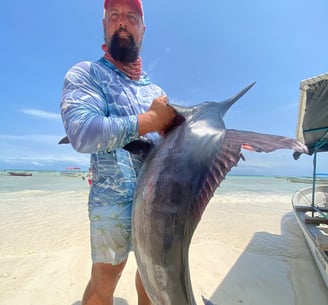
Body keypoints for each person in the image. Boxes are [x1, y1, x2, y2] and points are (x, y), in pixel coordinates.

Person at [60, 0, 176, 304]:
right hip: (110, 204)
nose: (122, 21)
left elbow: (168, 149)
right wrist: (152, 120)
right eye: (114, 16)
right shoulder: (87, 74)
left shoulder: (156, 92)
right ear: (104, 25)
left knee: (151, 278)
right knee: (105, 279)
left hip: (155, 203)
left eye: (131, 17)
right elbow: (82, 133)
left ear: (143, 29)